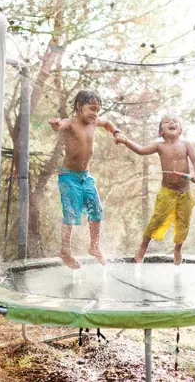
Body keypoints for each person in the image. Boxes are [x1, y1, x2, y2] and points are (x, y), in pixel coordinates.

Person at [49, 90, 122, 269]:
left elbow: (108, 123)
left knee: (96, 209)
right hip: (68, 177)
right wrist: (56, 124)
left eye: (97, 110)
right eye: (91, 109)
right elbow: (61, 125)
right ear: (79, 107)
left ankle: (94, 246)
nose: (95, 113)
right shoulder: (71, 123)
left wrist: (116, 132)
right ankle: (65, 250)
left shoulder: (95, 122)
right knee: (71, 212)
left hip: (86, 176)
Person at [115, 115, 195, 265]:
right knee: (157, 219)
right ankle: (143, 247)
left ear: (180, 130)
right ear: (161, 132)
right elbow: (141, 150)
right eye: (167, 122)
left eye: (175, 121)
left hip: (185, 193)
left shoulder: (186, 144)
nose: (172, 122)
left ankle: (178, 248)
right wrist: (126, 141)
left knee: (184, 223)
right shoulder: (160, 146)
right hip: (167, 192)